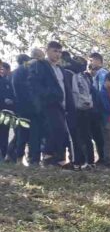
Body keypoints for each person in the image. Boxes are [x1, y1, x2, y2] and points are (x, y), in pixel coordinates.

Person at [28, 41, 74, 169]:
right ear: (47, 51)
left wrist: (70, 104)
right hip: (48, 103)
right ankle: (49, 157)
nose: (58, 54)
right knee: (55, 129)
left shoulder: (60, 69)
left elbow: (66, 88)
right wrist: (49, 95)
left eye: (59, 52)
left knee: (61, 131)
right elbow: (34, 84)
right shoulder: (40, 65)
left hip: (62, 104)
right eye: (55, 51)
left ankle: (56, 158)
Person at [11, 54, 39, 166]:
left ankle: (20, 158)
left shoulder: (15, 72)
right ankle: (31, 158)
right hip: (29, 107)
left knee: (22, 133)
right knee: (31, 134)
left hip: (21, 107)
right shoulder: (23, 69)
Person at [69, 56, 96, 169]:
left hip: (77, 108)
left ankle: (78, 161)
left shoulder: (73, 75)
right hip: (87, 107)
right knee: (86, 136)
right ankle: (90, 161)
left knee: (78, 136)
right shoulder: (86, 77)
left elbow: (74, 92)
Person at [0, 61, 14, 161]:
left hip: (5, 111)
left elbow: (11, 94)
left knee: (4, 133)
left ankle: (4, 154)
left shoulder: (5, 81)